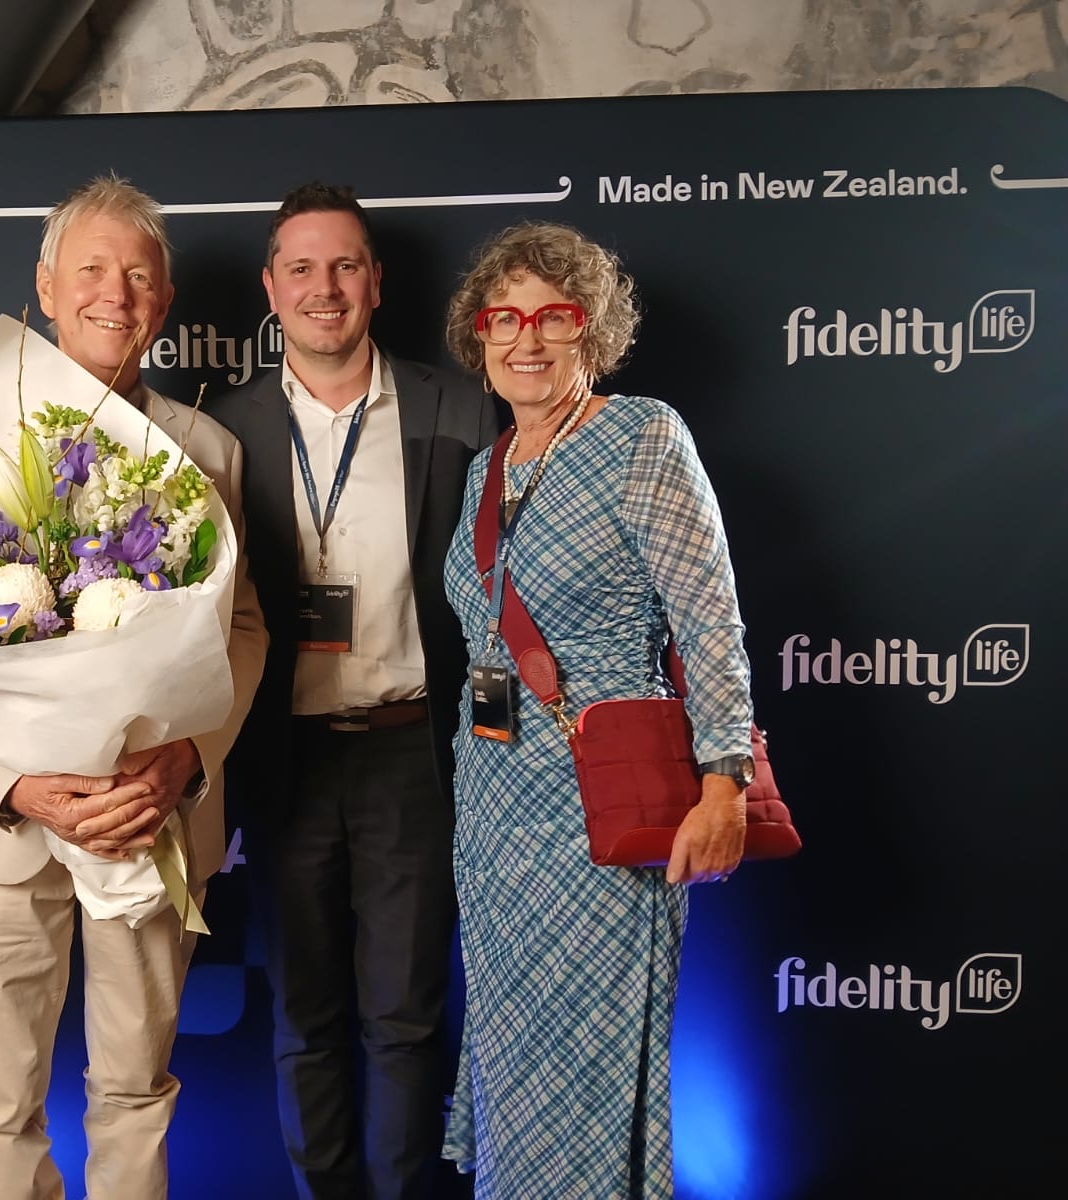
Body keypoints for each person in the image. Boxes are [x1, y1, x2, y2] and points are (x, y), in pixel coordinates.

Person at [0, 175, 267, 1200]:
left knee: (135, 1092)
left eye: (140, 276)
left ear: (164, 302)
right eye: (93, 270)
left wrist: (184, 759)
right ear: (46, 288)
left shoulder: (210, 450)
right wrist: (17, 784)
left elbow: (243, 629)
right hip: (0, 828)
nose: (118, 293)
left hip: (147, 820)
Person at [438, 220, 751, 1197]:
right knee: (513, 1063)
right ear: (481, 335)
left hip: (598, 809)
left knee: (589, 1069)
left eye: (554, 317)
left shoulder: (641, 438)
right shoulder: (486, 469)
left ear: (593, 331)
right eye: (505, 318)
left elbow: (708, 620)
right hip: (493, 815)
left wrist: (725, 783)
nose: (526, 339)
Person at [208, 182, 499, 1200]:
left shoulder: (457, 407)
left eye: (343, 265)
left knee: (407, 1018)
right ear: (270, 287)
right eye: (301, 267)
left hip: (411, 754)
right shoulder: (224, 428)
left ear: (375, 280)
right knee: (305, 1017)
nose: (322, 288)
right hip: (283, 761)